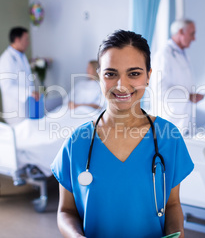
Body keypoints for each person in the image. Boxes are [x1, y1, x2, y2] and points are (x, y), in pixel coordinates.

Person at [51, 30, 194, 238]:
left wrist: (177, 235)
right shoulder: (77, 143)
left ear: (148, 76)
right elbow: (66, 211)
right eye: (111, 74)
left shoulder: (167, 137)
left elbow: (172, 205)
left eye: (134, 73)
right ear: (100, 76)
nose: (121, 85)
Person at [149, 19, 205, 137]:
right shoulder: (163, 55)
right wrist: (188, 96)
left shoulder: (183, 54)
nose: (194, 38)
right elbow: (159, 90)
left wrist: (191, 95)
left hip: (183, 121)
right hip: (169, 120)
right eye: (192, 34)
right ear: (180, 32)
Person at [0, 27, 39, 126]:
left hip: (26, 107)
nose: (28, 42)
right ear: (17, 40)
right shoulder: (5, 60)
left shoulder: (21, 56)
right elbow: (6, 86)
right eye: (26, 39)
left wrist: (31, 93)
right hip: (15, 109)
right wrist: (29, 92)